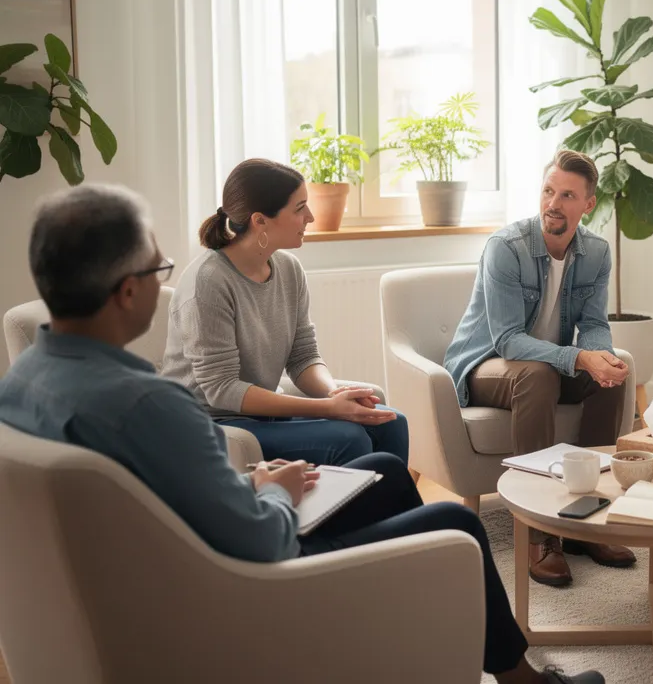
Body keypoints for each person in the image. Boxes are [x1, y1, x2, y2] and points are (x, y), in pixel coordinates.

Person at [0, 184, 603, 684]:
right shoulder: (151, 407)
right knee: (458, 526)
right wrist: (272, 491)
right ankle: (519, 676)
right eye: (156, 269)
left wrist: (260, 474)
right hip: (244, 590)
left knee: (390, 471)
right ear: (128, 291)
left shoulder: (23, 382)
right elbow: (261, 538)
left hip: (177, 562)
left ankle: (403, 600)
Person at [443, 149, 634, 587]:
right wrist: (577, 357)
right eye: (549, 190)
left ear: (588, 204)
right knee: (537, 373)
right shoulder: (505, 248)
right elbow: (508, 340)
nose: (553, 203)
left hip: (547, 367)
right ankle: (540, 533)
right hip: (486, 365)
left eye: (567, 195)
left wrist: (600, 359)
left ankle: (587, 518)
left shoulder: (597, 253)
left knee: (611, 372)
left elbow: (595, 326)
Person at [159, 159, 410, 467]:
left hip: (261, 417)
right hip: (212, 423)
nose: (311, 217)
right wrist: (329, 409)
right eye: (299, 208)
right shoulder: (208, 281)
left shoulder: (289, 269)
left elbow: (303, 356)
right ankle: (362, 516)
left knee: (391, 423)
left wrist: (334, 392)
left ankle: (387, 515)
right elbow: (221, 390)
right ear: (260, 221)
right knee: (350, 439)